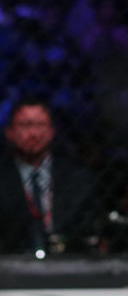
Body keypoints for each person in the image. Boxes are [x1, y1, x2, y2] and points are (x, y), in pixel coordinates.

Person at [0, 96, 98, 255]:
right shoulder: (3, 178)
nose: (33, 134)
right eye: (25, 125)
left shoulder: (78, 178)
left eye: (40, 125)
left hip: (70, 262)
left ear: (52, 131)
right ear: (9, 132)